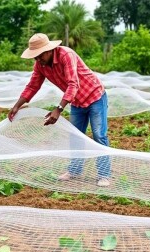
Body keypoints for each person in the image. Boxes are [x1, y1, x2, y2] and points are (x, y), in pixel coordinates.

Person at [8, 33, 111, 187]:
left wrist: (59, 109)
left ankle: (104, 175)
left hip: (94, 96)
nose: (37, 60)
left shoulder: (66, 55)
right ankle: (75, 170)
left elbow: (72, 84)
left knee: (99, 135)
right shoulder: (40, 65)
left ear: (49, 50)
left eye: (39, 56)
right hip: (76, 101)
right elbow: (33, 85)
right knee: (75, 136)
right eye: (34, 57)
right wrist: (16, 106)